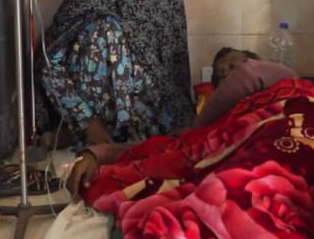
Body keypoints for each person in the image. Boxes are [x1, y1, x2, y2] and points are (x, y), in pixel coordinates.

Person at [33, 0, 193, 148]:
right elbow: (50, 62)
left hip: (147, 103)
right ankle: (86, 132)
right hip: (92, 107)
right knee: (106, 29)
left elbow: (175, 59)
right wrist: (86, 121)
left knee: (172, 139)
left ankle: (108, 137)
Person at [66, 47, 298, 197]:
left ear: (254, 60)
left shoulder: (281, 79)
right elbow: (173, 146)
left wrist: (199, 127)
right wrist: (99, 154)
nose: (226, 75)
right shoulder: (222, 124)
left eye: (231, 66)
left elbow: (247, 75)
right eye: (219, 75)